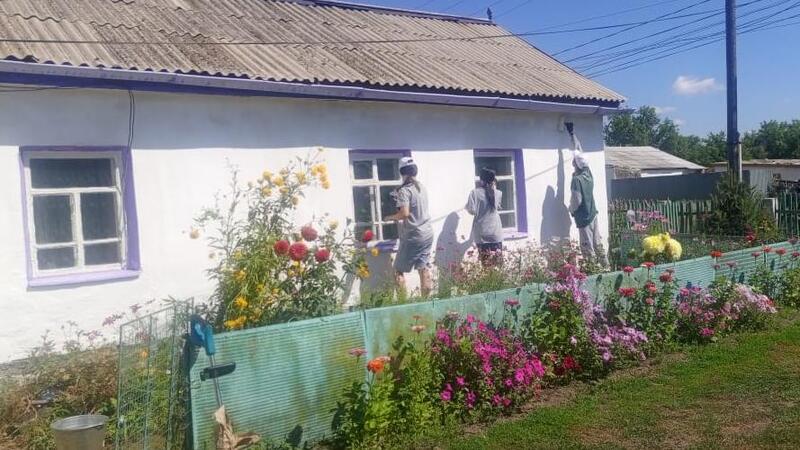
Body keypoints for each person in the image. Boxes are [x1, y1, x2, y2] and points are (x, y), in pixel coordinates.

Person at [386, 156, 434, 298]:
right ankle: (426, 302)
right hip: (427, 233)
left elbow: (405, 213)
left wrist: (391, 217)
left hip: (414, 235)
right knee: (423, 268)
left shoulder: (405, 191)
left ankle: (403, 303)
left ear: (402, 172)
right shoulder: (421, 187)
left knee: (397, 270)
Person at [569, 150, 610, 267]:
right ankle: (607, 267)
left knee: (587, 247)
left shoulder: (577, 180)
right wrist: (575, 142)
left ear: (577, 164)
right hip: (593, 214)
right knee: (597, 243)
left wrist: (571, 210)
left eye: (573, 162)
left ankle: (592, 270)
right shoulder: (589, 175)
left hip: (583, 217)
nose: (572, 163)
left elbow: (577, 200)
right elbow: (583, 162)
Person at [466, 167, 504, 267]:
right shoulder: (498, 193)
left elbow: (471, 211)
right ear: (493, 179)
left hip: (481, 233)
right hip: (495, 232)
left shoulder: (474, 193)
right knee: (498, 264)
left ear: (481, 179)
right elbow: (498, 207)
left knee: (486, 265)